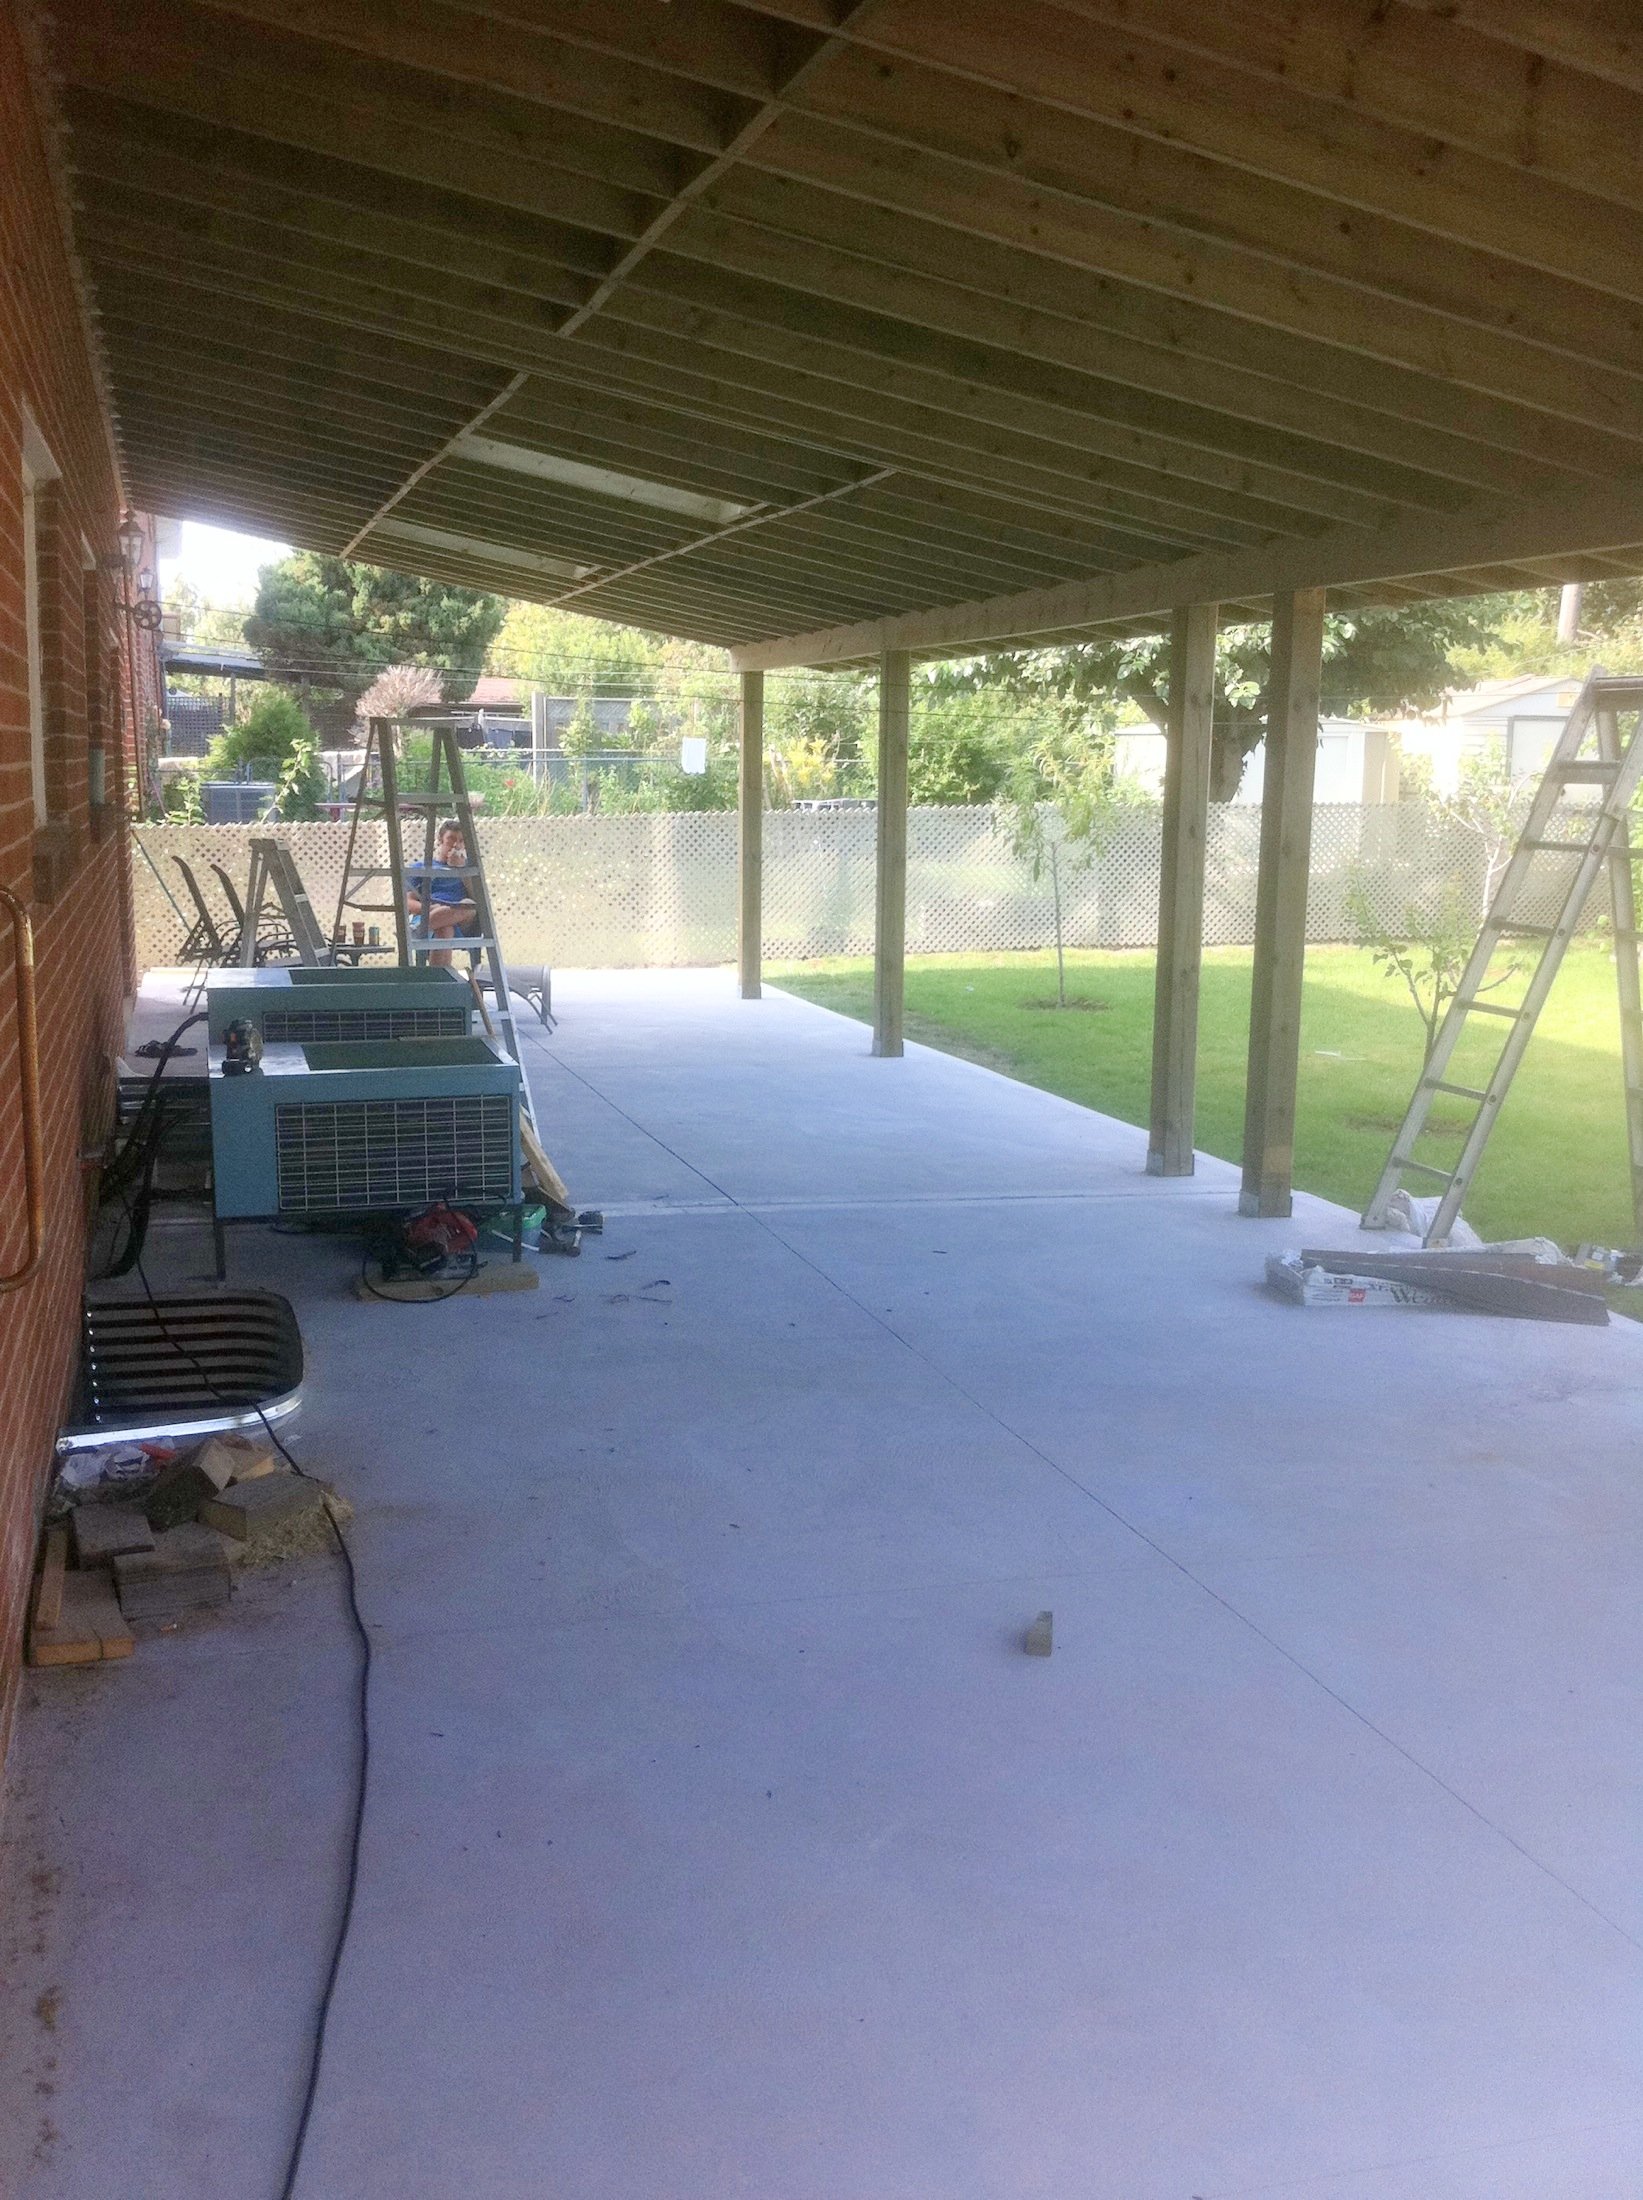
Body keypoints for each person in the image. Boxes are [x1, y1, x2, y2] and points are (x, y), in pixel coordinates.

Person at [405, 819, 477, 968]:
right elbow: (408, 903)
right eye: (451, 839)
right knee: (444, 930)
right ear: (440, 840)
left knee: (468, 905)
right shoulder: (421, 867)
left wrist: (463, 870)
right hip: (430, 914)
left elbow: (478, 898)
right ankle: (439, 982)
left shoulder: (470, 867)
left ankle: (420, 931)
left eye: (461, 841)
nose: (456, 845)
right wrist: (432, 909)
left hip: (461, 918)